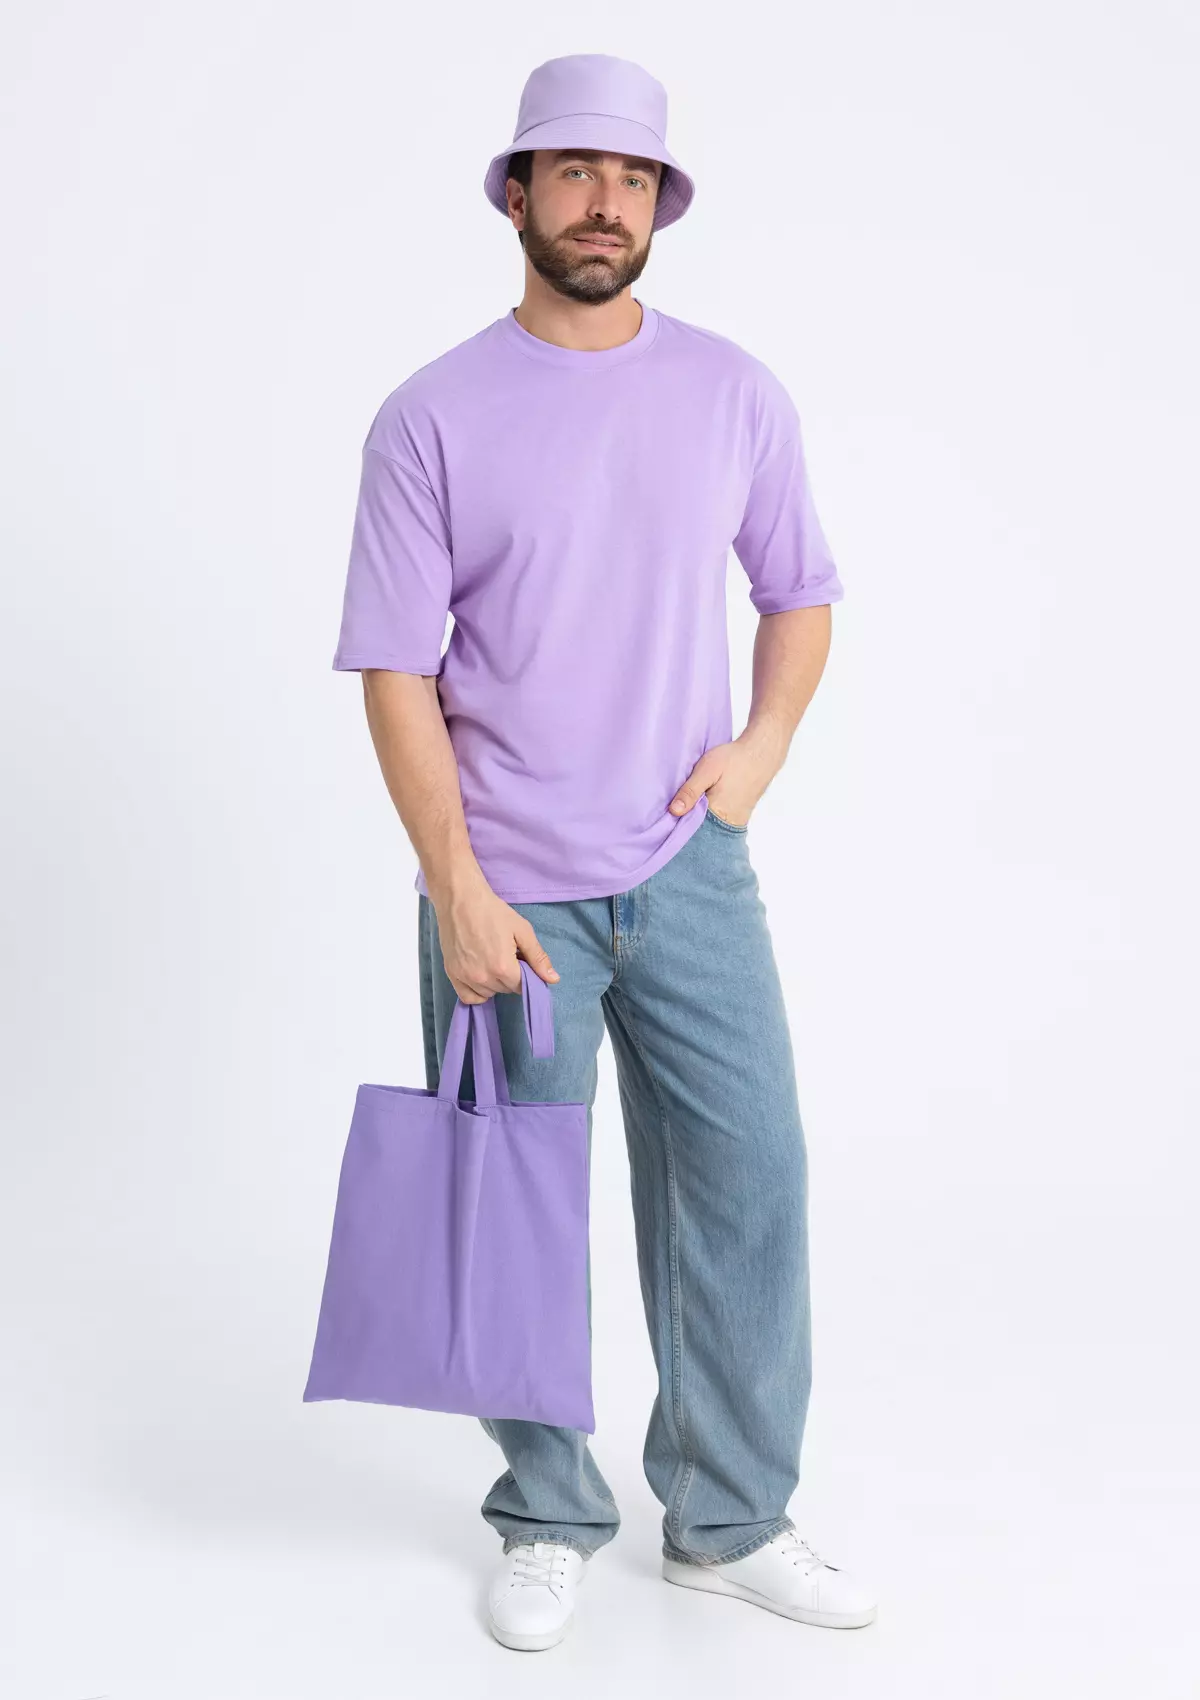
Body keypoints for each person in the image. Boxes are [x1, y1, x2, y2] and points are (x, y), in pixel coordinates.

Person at [331, 51, 878, 1653]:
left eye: (631, 179)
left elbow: (800, 591)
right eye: (574, 172)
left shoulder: (733, 393)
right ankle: (547, 1512)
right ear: (518, 193)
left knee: (749, 1177)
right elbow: (394, 670)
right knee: (514, 1205)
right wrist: (456, 888)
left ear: (659, 206)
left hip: (689, 870)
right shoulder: (431, 415)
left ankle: (727, 1519)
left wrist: (759, 755)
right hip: (507, 883)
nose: (603, 203)